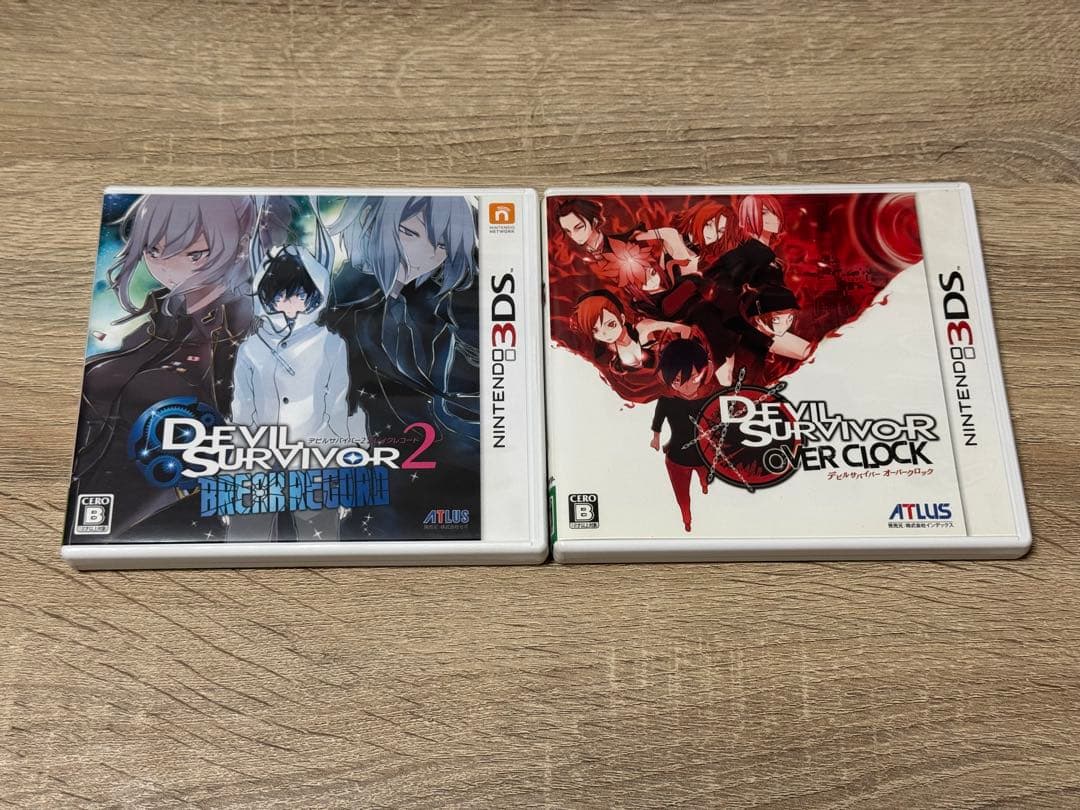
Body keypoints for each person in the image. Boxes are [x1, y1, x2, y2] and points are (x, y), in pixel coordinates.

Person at [72, 194, 289, 538]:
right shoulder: (159, 325)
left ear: (240, 246)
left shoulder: (248, 329)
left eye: (194, 254)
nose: (167, 267)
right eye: (154, 251)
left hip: (189, 495)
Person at [228, 246, 352, 541]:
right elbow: (242, 413)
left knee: (321, 544)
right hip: (258, 461)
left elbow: (337, 411)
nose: (289, 304)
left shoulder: (331, 345)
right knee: (244, 543)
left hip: (316, 462)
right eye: (280, 295)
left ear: (314, 295)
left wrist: (343, 479)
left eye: (298, 295)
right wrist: (234, 478)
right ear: (266, 297)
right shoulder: (251, 349)